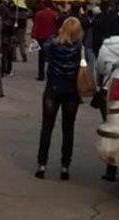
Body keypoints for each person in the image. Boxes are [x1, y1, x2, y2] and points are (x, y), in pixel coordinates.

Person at [35, 16, 83, 181]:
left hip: (53, 90)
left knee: (47, 128)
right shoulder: (78, 48)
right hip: (71, 92)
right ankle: (65, 166)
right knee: (68, 129)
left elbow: (44, 50)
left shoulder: (52, 46)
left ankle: (42, 164)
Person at [94, 34, 119, 183]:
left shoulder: (105, 48)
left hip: (107, 90)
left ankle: (110, 170)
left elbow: (99, 68)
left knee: (110, 129)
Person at [32, 0, 59, 81]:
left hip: (40, 36)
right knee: (52, 56)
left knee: (41, 56)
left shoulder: (39, 14)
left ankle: (41, 74)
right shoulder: (55, 14)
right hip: (51, 36)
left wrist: (33, 35)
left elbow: (36, 25)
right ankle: (51, 74)